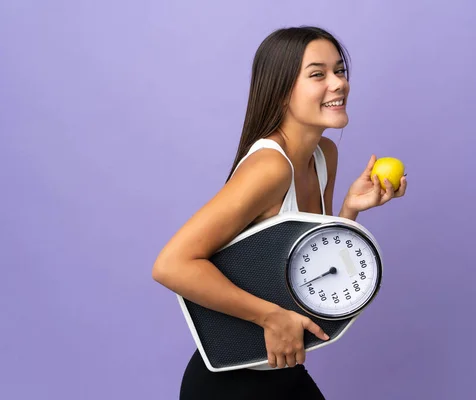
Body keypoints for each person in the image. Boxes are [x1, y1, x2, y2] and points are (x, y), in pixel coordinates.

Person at [152, 25, 408, 400]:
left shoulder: (323, 155)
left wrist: (350, 209)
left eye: (340, 71)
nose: (338, 84)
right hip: (232, 384)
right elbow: (171, 264)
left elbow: (310, 265)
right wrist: (270, 317)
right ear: (282, 88)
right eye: (318, 74)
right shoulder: (271, 167)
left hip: (284, 369)